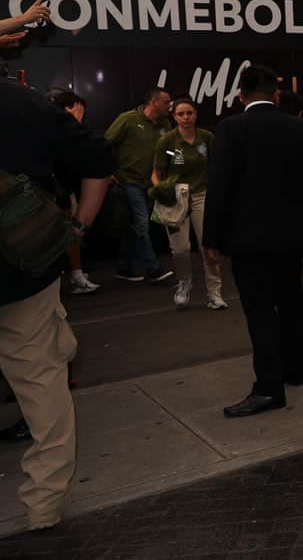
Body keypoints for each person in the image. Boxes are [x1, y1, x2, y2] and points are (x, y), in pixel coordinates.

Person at [0, 76, 114, 531]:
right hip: (23, 267)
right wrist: (78, 230)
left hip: (23, 272)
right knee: (42, 381)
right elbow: (99, 159)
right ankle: (44, 503)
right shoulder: (22, 102)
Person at [204, 64, 303, 418]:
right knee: (291, 299)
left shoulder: (229, 130)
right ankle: (294, 369)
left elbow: (220, 187)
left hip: (247, 238)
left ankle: (269, 387)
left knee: (259, 311)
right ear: (275, 95)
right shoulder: (300, 129)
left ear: (241, 96)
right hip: (290, 235)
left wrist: (212, 237)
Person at [152, 97, 227, 310]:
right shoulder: (167, 141)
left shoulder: (206, 137)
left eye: (189, 113)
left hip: (202, 195)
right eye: (181, 114)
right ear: (174, 117)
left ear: (196, 114)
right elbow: (156, 173)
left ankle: (214, 292)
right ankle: (184, 283)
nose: (186, 118)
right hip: (176, 197)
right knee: (180, 249)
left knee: (208, 245)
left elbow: (218, 166)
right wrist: (161, 192)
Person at [105, 87, 175, 283]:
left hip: (152, 183)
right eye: (166, 102)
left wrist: (169, 165)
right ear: (153, 102)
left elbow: (170, 149)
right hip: (129, 180)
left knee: (135, 226)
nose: (170, 106)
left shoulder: (165, 124)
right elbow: (106, 143)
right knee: (142, 224)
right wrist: (108, 171)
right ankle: (153, 268)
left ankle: (125, 268)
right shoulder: (128, 119)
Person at [47, 89, 99, 295]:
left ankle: (76, 274)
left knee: (73, 233)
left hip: (65, 189)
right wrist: (74, 124)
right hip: (47, 192)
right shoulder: (49, 126)